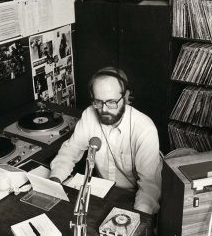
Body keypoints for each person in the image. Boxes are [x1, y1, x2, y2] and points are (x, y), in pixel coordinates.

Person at [49, 67, 162, 214]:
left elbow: (149, 186)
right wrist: (54, 180)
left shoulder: (145, 128)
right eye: (98, 102)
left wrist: (138, 217)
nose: (104, 109)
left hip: (134, 198)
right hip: (100, 194)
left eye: (112, 102)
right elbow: (70, 151)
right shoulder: (89, 115)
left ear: (127, 97)